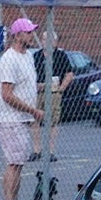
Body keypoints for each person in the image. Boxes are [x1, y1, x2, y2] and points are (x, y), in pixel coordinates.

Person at [0, 17, 43, 200]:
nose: (32, 36)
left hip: (22, 119)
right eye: (28, 32)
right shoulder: (9, 58)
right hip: (10, 118)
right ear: (17, 35)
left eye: (32, 32)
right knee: (14, 162)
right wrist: (32, 109)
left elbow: (26, 86)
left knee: (19, 162)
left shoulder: (28, 57)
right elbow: (7, 94)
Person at [30, 30, 73, 162]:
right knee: (34, 121)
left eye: (49, 40)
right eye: (43, 39)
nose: (46, 42)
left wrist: (61, 89)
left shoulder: (61, 56)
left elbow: (69, 74)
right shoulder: (36, 56)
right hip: (38, 93)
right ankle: (36, 150)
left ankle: (50, 151)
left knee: (52, 121)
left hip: (54, 93)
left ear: (54, 42)